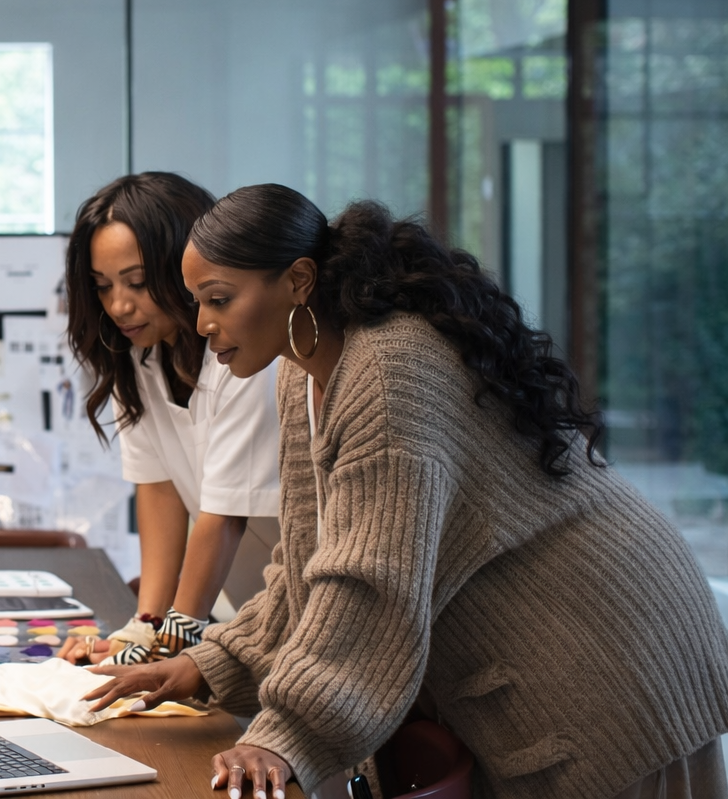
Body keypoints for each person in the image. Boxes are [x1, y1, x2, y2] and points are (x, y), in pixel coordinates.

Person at [85, 184, 728, 799]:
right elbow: (310, 566)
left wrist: (285, 738)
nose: (201, 324)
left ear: (299, 282)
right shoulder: (301, 372)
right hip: (561, 655)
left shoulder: (389, 371)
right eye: (197, 301)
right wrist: (210, 663)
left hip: (611, 655)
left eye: (219, 299)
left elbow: (370, 587)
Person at [59, 173, 281, 666]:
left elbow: (222, 518)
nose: (118, 305)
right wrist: (144, 627)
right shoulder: (137, 360)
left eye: (137, 283)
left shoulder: (247, 356)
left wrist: (172, 640)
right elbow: (158, 491)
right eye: (102, 287)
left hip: (306, 597)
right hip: (249, 604)